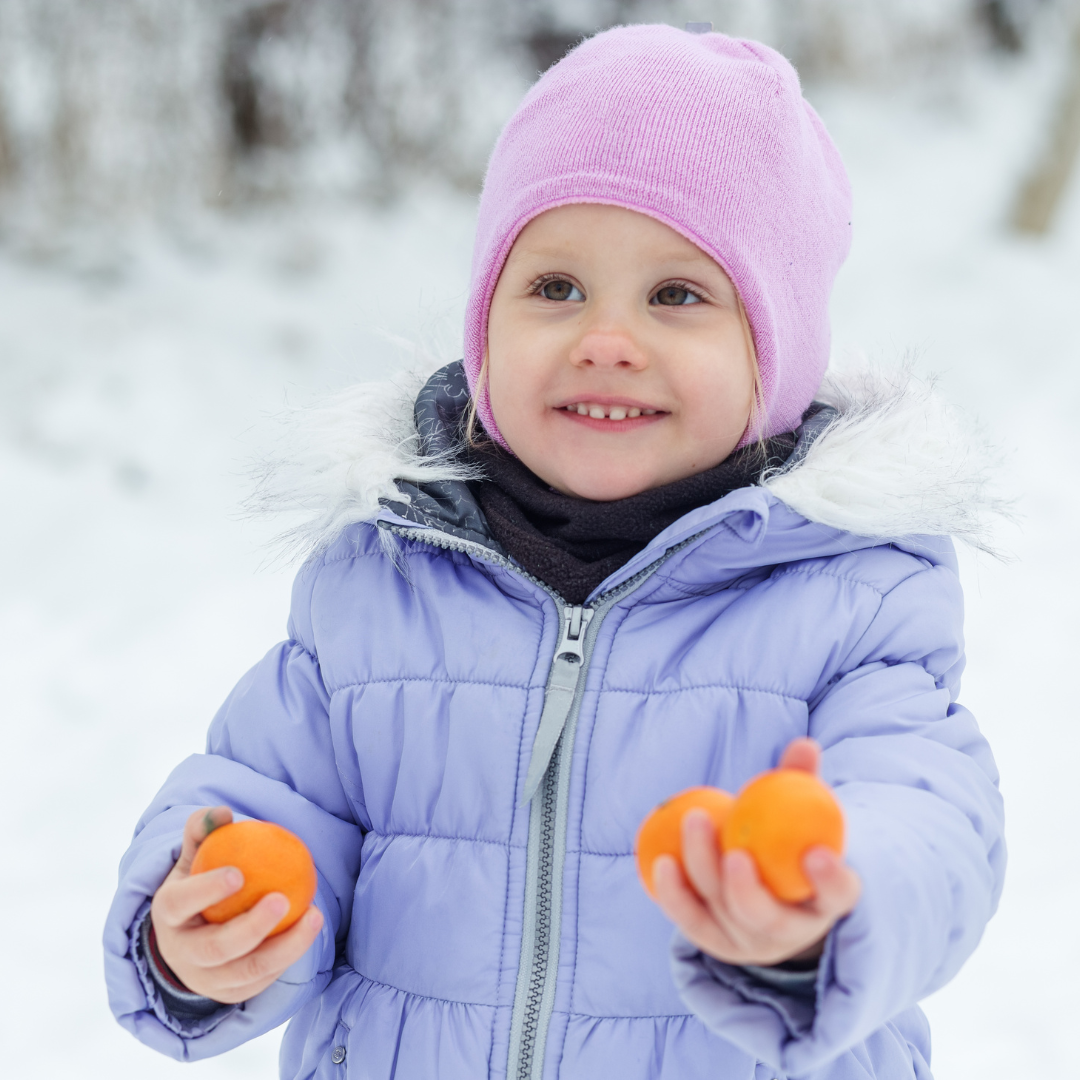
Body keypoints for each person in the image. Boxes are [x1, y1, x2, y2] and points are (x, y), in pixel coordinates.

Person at [104, 23, 1005, 1080]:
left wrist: (823, 908)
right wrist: (200, 928)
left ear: (780, 354)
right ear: (485, 327)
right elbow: (258, 793)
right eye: (556, 288)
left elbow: (931, 821)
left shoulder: (847, 601)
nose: (606, 339)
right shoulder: (383, 582)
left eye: (677, 295)